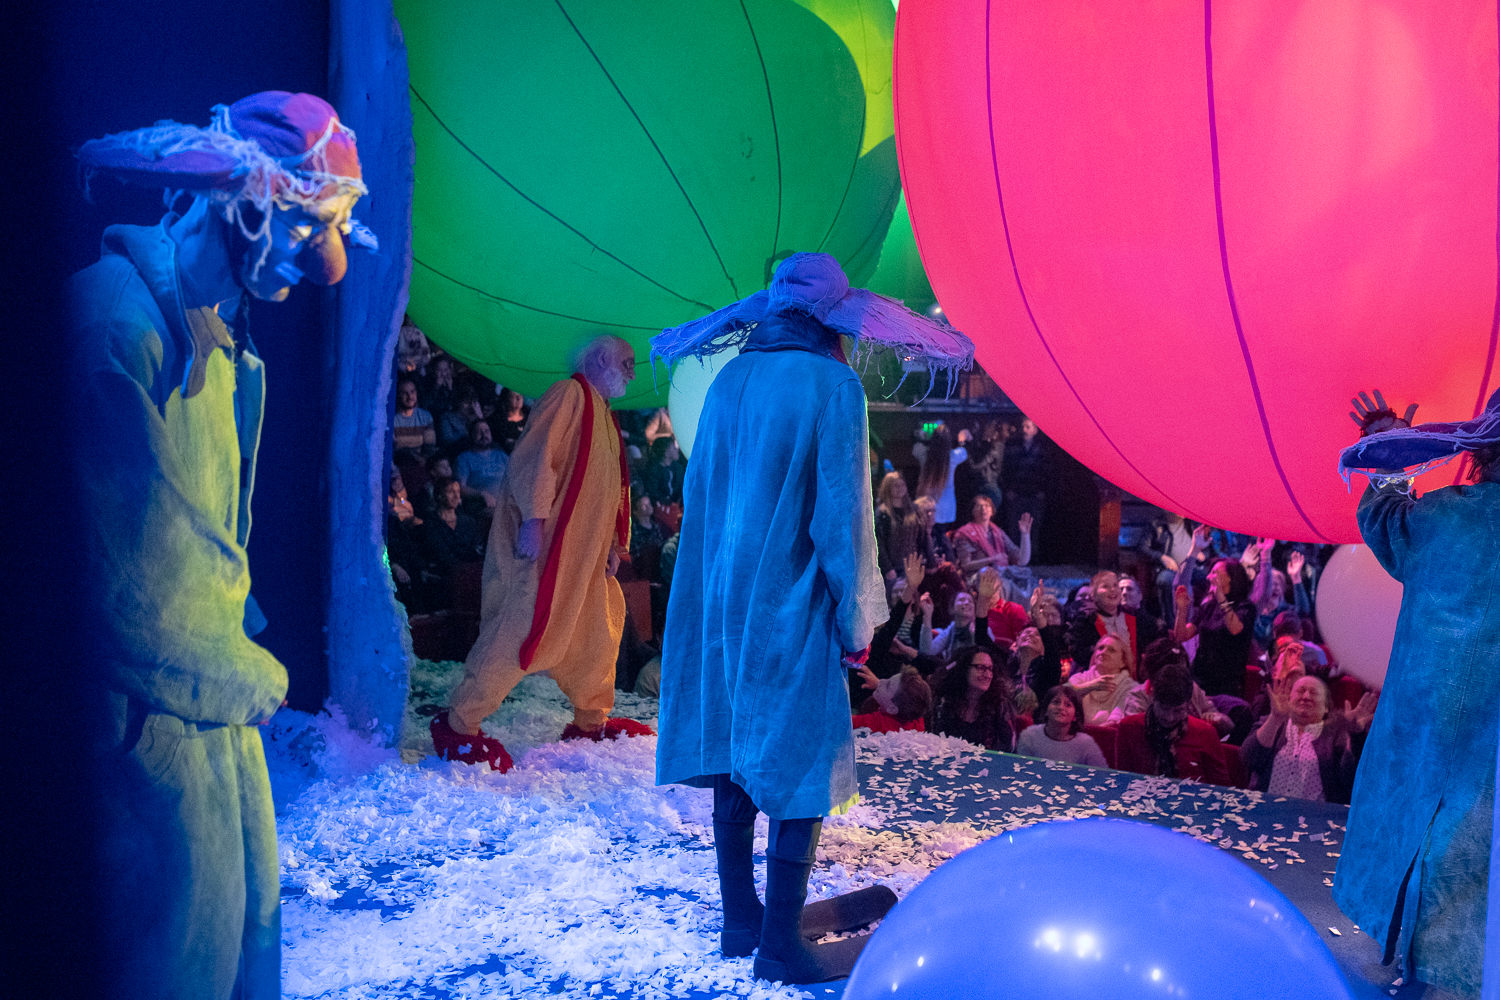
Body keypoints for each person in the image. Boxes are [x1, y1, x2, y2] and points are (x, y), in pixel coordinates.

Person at [71, 91, 373, 1000]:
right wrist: (253, 676)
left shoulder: (217, 335)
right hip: (144, 729)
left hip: (209, 711)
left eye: (338, 228)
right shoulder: (112, 330)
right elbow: (130, 584)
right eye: (310, 223)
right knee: (170, 965)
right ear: (241, 200)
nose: (325, 262)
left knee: (236, 954)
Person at [652, 252, 972, 983]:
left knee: (737, 749)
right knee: (798, 765)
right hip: (787, 602)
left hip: (720, 604)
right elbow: (843, 521)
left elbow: (704, 503)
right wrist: (859, 625)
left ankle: (742, 918)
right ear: (836, 322)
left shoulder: (730, 379)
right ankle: (780, 947)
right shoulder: (833, 386)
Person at [1328, 387, 1500, 995]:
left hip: (1433, 720)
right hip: (1471, 737)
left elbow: (1386, 520)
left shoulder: (1445, 517)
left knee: (1434, 844)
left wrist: (1388, 452)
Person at [429, 335, 653, 772]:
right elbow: (536, 455)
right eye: (626, 362)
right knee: (520, 628)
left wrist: (613, 543)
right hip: (551, 551)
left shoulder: (605, 414)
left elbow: (610, 487)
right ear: (601, 359)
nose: (632, 372)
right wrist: (533, 518)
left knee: (597, 634)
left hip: (587, 558)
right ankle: (460, 724)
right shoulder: (569, 395)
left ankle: (590, 720)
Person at [1240, 674, 1373, 804]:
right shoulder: (1271, 723)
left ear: (1326, 708)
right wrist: (1275, 717)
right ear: (1289, 698)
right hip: (1266, 808)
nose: (1306, 696)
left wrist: (1356, 735)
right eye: (1300, 691)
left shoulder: (1337, 732)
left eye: (1314, 693)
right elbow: (1248, 758)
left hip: (1315, 815)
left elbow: (1350, 778)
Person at [1172, 527, 1257, 697]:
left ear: (1230, 578)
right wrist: (1182, 609)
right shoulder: (1209, 607)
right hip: (1199, 680)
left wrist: (1221, 598)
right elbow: (1182, 635)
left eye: (1214, 573)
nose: (1208, 577)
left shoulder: (1245, 607)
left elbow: (1235, 629)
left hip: (1227, 685)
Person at [1114, 664, 1233, 785]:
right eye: (1164, 708)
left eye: (1178, 710)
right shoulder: (1129, 728)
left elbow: (1221, 787)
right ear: (1152, 696)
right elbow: (1123, 780)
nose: (1169, 718)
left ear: (1188, 704)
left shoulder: (1205, 733)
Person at [1068, 569, 1161, 671]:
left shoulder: (1138, 620)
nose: (1113, 589)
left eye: (1115, 585)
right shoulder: (1086, 621)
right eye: (1105, 586)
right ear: (1094, 596)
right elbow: (1079, 653)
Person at [929, 646, 1018, 752]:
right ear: (964, 669)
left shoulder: (998, 706)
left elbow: (1007, 748)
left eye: (990, 669)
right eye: (981, 668)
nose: (988, 675)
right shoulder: (943, 702)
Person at [1015, 685, 1108, 767]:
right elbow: (1022, 771)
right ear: (1046, 710)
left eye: (1068, 705)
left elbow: (1102, 775)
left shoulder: (1086, 743)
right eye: (1056, 702)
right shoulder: (1029, 736)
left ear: (1075, 716)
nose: (1061, 707)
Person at [1067, 633, 1141, 726]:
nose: (1104, 652)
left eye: (1111, 650)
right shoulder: (1080, 678)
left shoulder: (1130, 687)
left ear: (1123, 662)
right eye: (1100, 648)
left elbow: (1116, 719)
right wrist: (1091, 686)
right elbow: (1063, 694)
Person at [418, 477, 484, 576]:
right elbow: (442, 555)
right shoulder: (431, 524)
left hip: (471, 572)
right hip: (446, 574)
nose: (456, 496)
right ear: (439, 495)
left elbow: (478, 549)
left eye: (458, 492)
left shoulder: (468, 522)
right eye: (451, 492)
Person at [1002, 417, 1047, 546]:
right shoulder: (1013, 445)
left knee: (1034, 527)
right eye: (1023, 427)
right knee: (1015, 527)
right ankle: (1016, 554)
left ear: (1035, 430)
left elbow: (1046, 471)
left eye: (1028, 427)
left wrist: (1042, 490)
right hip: (1016, 494)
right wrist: (1008, 489)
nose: (1024, 430)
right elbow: (1006, 469)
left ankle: (1032, 555)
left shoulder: (1042, 448)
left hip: (1035, 494)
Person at [851, 664, 933, 734]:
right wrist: (877, 684)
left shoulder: (877, 723)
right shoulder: (917, 720)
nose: (881, 680)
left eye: (887, 685)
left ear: (892, 709)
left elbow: (845, 721)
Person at [914, 424, 969, 529]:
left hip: (925, 506)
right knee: (942, 535)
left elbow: (916, 447)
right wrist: (962, 442)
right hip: (946, 508)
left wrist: (923, 435)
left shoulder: (923, 454)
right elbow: (964, 452)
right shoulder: (952, 456)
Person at [874, 471, 923, 580]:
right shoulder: (882, 512)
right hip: (893, 568)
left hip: (912, 565)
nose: (900, 488)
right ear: (887, 488)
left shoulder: (914, 509)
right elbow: (879, 542)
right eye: (896, 485)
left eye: (902, 484)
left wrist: (923, 560)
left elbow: (921, 537)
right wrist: (887, 568)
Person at [454, 417, 509, 510]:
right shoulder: (464, 458)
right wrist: (481, 494)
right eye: (479, 432)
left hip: (507, 505)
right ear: (471, 435)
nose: (484, 435)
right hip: (483, 507)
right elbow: (459, 487)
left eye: (487, 431)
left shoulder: (502, 456)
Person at [392, 376, 435, 455]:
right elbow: (395, 448)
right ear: (399, 395)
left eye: (412, 391)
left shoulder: (425, 417)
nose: (410, 396)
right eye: (405, 393)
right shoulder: (393, 420)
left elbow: (430, 447)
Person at [493, 386, 530, 453]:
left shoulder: (529, 417)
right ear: (506, 398)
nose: (518, 399)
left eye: (520, 396)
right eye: (514, 396)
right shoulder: (498, 421)